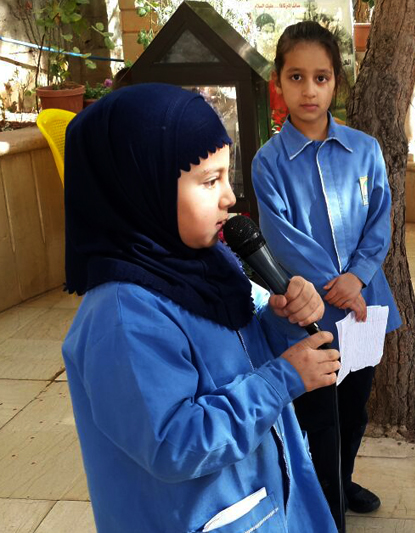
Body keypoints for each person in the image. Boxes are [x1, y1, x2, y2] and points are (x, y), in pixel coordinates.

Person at [60, 83, 339, 533]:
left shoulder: (208, 264)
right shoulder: (122, 316)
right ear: (143, 187)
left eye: (227, 175)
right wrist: (281, 381)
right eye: (210, 181)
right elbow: (174, 442)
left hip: (264, 498)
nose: (229, 197)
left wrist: (283, 318)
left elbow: (246, 344)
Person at [250, 20, 401, 526]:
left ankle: (343, 478)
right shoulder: (268, 162)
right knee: (317, 416)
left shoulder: (365, 150)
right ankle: (321, 501)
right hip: (305, 314)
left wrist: (357, 277)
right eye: (296, 77)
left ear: (336, 81)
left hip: (363, 307)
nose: (309, 90)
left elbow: (380, 220)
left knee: (355, 409)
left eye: (321, 77)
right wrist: (337, 285)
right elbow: (282, 237)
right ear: (278, 81)